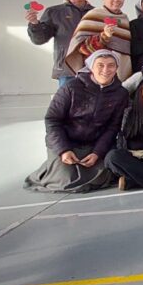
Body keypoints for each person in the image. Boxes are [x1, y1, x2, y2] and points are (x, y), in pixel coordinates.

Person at [24, 50, 128, 193]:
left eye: (111, 65)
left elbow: (113, 127)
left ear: (116, 68)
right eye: (100, 65)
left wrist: (97, 152)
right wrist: (63, 150)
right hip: (66, 141)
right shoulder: (71, 87)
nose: (106, 70)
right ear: (91, 67)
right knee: (65, 180)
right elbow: (52, 120)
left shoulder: (121, 93)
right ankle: (51, 167)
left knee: (103, 173)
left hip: (94, 144)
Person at [26, 0, 94, 86]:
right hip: (67, 69)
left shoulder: (96, 13)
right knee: (67, 97)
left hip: (94, 69)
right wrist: (34, 23)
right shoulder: (54, 12)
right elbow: (39, 40)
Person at [64, 0, 134, 81]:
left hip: (122, 67)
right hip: (99, 70)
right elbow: (82, 48)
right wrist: (104, 37)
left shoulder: (124, 19)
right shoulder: (93, 15)